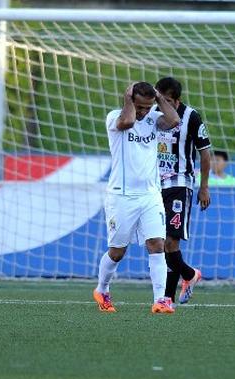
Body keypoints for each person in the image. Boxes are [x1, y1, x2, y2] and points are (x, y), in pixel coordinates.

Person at [93, 81, 180, 314]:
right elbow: (128, 121)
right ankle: (102, 289)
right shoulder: (115, 118)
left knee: (157, 243)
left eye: (147, 107)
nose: (143, 112)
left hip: (150, 194)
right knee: (117, 251)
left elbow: (174, 121)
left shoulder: (153, 118)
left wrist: (159, 98)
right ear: (131, 100)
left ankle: (161, 299)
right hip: (121, 196)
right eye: (140, 106)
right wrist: (128, 100)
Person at [154, 77, 211, 305]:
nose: (162, 106)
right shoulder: (153, 115)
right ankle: (189, 274)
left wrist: (204, 187)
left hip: (180, 184)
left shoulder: (192, 117)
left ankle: (166, 298)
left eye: (167, 101)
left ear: (177, 101)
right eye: (160, 100)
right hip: (154, 186)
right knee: (157, 242)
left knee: (170, 242)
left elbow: (205, 154)